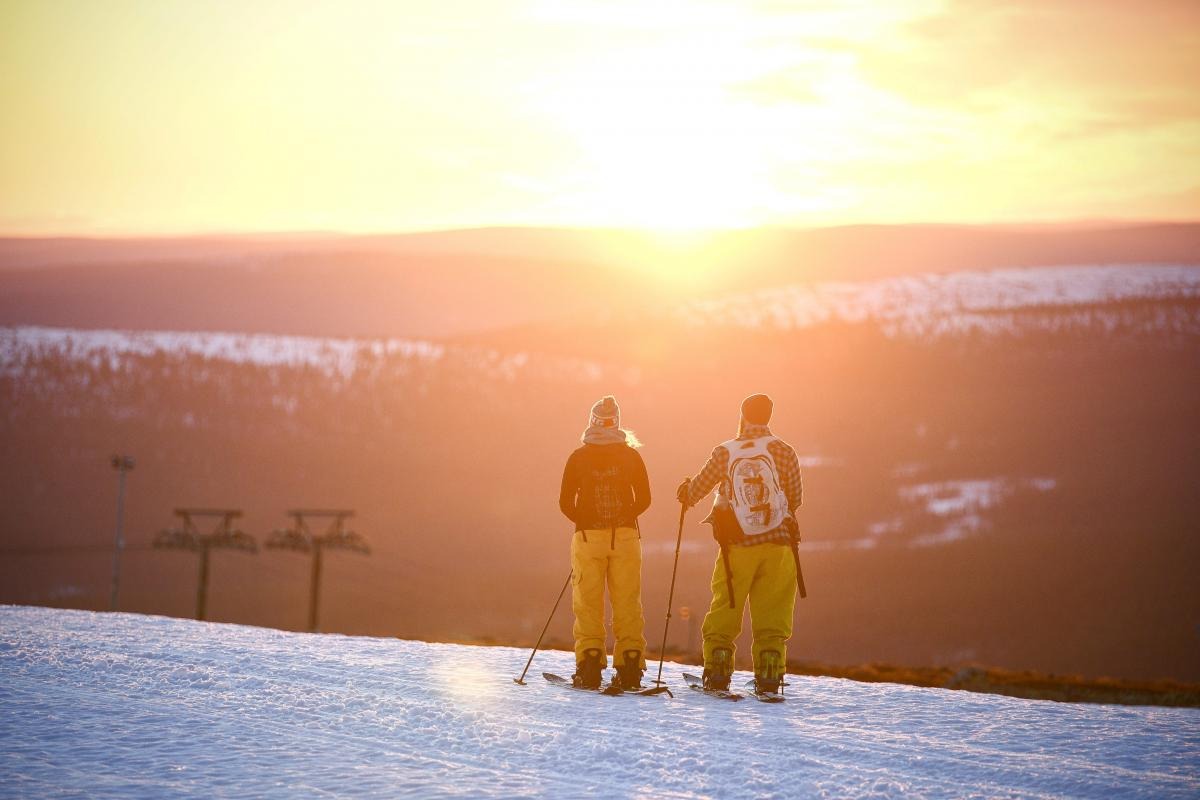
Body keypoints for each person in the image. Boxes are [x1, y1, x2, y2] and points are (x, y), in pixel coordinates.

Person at [676, 393, 803, 694]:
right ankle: (769, 675)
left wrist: (685, 491)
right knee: (773, 614)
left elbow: (696, 491)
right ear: (769, 417)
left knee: (726, 608)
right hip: (779, 545)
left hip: (736, 546)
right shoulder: (785, 451)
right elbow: (795, 499)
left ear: (743, 416)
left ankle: (718, 671)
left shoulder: (725, 452)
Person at [558, 395, 651, 690]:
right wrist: (625, 517)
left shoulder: (578, 457)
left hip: (588, 538)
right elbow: (645, 499)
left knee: (587, 603)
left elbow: (565, 502)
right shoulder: (632, 456)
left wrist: (585, 519)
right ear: (616, 423)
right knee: (627, 603)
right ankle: (630, 668)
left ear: (592, 422)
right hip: (625, 537)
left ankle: (589, 667)